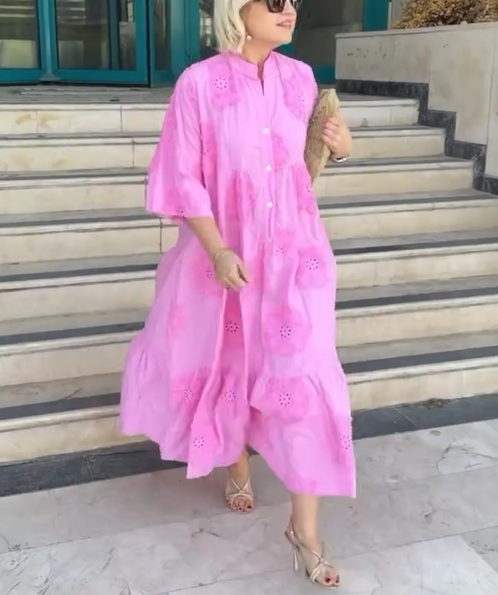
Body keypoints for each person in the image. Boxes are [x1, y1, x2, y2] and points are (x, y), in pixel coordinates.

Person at [120, 0, 355, 588]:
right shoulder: (198, 84)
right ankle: (237, 463)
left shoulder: (301, 79)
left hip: (297, 257)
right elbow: (182, 177)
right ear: (236, 7)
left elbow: (298, 169)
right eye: (273, 1)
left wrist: (341, 145)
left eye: (293, 0)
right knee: (230, 362)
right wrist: (218, 249)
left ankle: (305, 531)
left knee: (303, 378)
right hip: (224, 257)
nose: (289, 10)